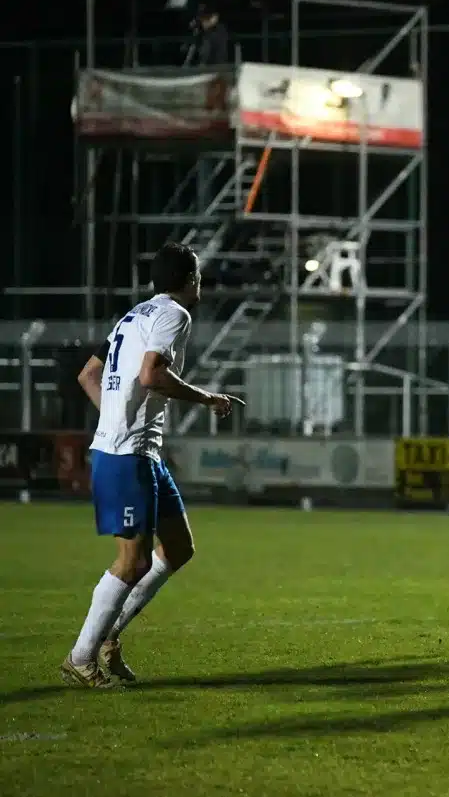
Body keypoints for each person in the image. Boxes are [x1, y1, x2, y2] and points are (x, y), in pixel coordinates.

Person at [62, 242, 243, 688]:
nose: (200, 284)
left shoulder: (135, 314)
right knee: (133, 561)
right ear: (189, 281)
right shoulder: (175, 315)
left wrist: (110, 418)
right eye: (198, 276)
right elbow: (151, 374)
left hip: (140, 451)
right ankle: (80, 657)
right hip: (126, 453)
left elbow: (88, 373)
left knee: (178, 547)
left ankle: (108, 637)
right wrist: (210, 398)